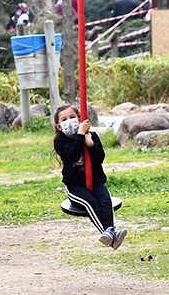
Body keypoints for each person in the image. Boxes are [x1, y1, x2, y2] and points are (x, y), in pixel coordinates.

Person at [53, 105, 127, 249]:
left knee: (106, 201)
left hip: (96, 181)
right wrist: (80, 135)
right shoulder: (60, 141)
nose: (69, 121)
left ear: (80, 119)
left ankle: (110, 233)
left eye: (72, 117)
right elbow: (72, 154)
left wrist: (91, 144)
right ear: (59, 126)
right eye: (64, 119)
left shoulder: (91, 136)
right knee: (90, 202)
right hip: (75, 186)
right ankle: (110, 235)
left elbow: (99, 158)